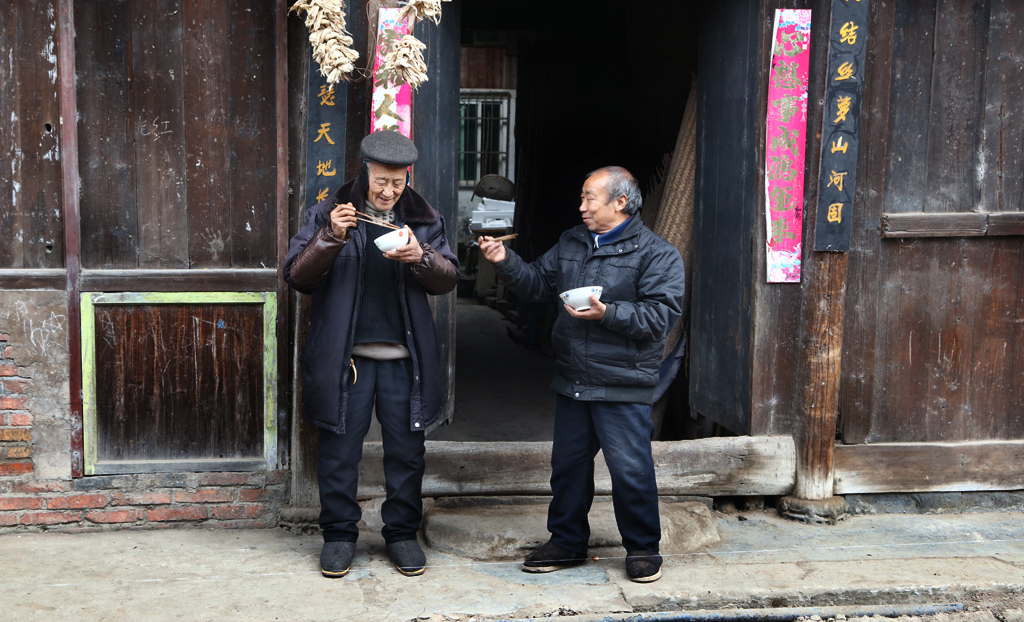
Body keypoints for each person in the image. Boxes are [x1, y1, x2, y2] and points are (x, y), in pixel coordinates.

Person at [478, 166, 685, 583]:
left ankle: (643, 547)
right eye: (582, 198)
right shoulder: (573, 241)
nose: (582, 207)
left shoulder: (657, 253)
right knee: (568, 467)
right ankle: (567, 541)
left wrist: (607, 313)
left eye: (590, 198)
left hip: (623, 380)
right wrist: (505, 261)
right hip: (574, 376)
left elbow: (660, 317)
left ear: (620, 202)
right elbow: (539, 285)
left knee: (630, 470)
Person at [284, 130, 459, 578]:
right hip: (348, 359)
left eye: (398, 183)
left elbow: (447, 279)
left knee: (406, 453)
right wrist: (331, 236)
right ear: (365, 173)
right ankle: (339, 535)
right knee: (339, 453)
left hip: (405, 358)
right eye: (381, 181)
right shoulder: (330, 212)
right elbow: (298, 277)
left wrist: (421, 256)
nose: (388, 191)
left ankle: (401, 534)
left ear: (407, 178)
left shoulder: (423, 218)